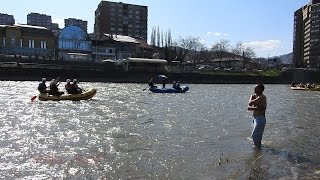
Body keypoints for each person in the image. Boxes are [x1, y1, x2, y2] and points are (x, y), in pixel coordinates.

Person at [247, 84, 267, 149]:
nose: (254, 90)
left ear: (261, 89)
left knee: (254, 135)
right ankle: (258, 150)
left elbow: (250, 103)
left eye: (256, 88)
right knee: (258, 136)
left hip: (260, 119)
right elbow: (251, 106)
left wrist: (251, 97)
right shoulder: (257, 96)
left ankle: (257, 150)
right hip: (256, 118)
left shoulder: (261, 97)